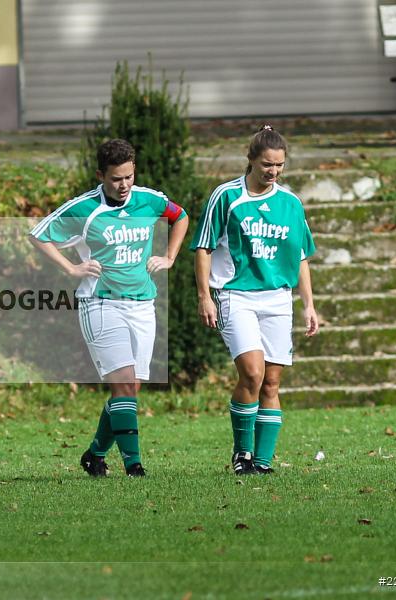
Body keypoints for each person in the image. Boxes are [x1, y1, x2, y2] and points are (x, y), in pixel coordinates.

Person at [29, 138, 188, 477]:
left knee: (130, 389)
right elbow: (38, 234)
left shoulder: (149, 200)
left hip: (142, 303)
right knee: (124, 385)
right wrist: (72, 269)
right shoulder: (85, 208)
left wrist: (170, 257)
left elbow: (180, 216)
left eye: (129, 176)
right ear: (101, 174)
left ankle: (95, 454)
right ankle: (135, 467)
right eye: (116, 179)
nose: (124, 185)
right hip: (100, 304)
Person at [190, 125, 319, 476]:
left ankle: (262, 462)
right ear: (250, 160)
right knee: (252, 373)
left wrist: (308, 304)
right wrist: (206, 296)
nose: (273, 171)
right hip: (236, 296)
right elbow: (202, 247)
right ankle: (242, 455)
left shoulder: (291, 203)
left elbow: (301, 256)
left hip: (278, 299)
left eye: (278, 165)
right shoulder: (226, 197)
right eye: (266, 164)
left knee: (272, 383)